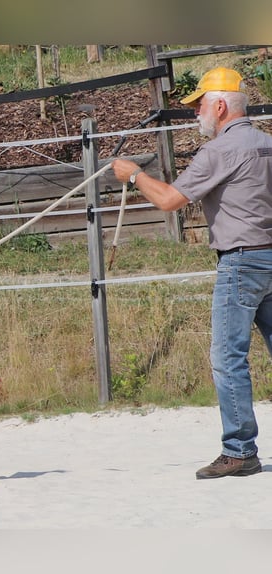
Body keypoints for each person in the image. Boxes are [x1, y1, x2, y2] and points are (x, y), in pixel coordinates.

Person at [112, 66, 272, 479]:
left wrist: (135, 176)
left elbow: (169, 200)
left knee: (227, 357)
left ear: (220, 106)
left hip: (240, 262)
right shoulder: (267, 145)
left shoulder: (219, 151)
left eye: (199, 104)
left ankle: (239, 450)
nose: (196, 113)